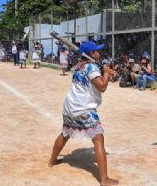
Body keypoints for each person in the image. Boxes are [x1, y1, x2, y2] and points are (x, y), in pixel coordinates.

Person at [48, 41, 118, 186]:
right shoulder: (92, 67)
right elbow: (102, 87)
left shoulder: (79, 66)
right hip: (82, 108)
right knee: (98, 139)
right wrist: (105, 73)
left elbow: (95, 80)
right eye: (96, 51)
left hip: (70, 105)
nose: (99, 53)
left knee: (65, 133)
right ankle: (104, 179)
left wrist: (107, 73)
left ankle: (52, 161)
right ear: (91, 54)